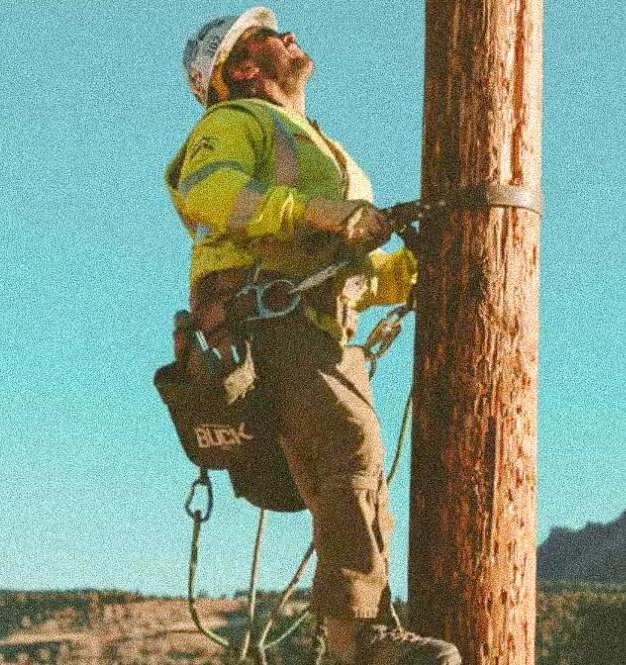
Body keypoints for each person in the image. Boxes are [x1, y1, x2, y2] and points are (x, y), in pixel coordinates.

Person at [169, 8, 459, 665]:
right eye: (269, 34)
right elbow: (210, 193)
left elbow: (356, 270)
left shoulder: (324, 150)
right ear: (240, 67)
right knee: (350, 448)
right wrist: (316, 213)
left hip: (320, 326)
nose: (290, 36)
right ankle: (361, 639)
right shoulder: (233, 122)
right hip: (264, 320)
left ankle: (355, 634)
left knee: (358, 482)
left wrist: (420, 268)